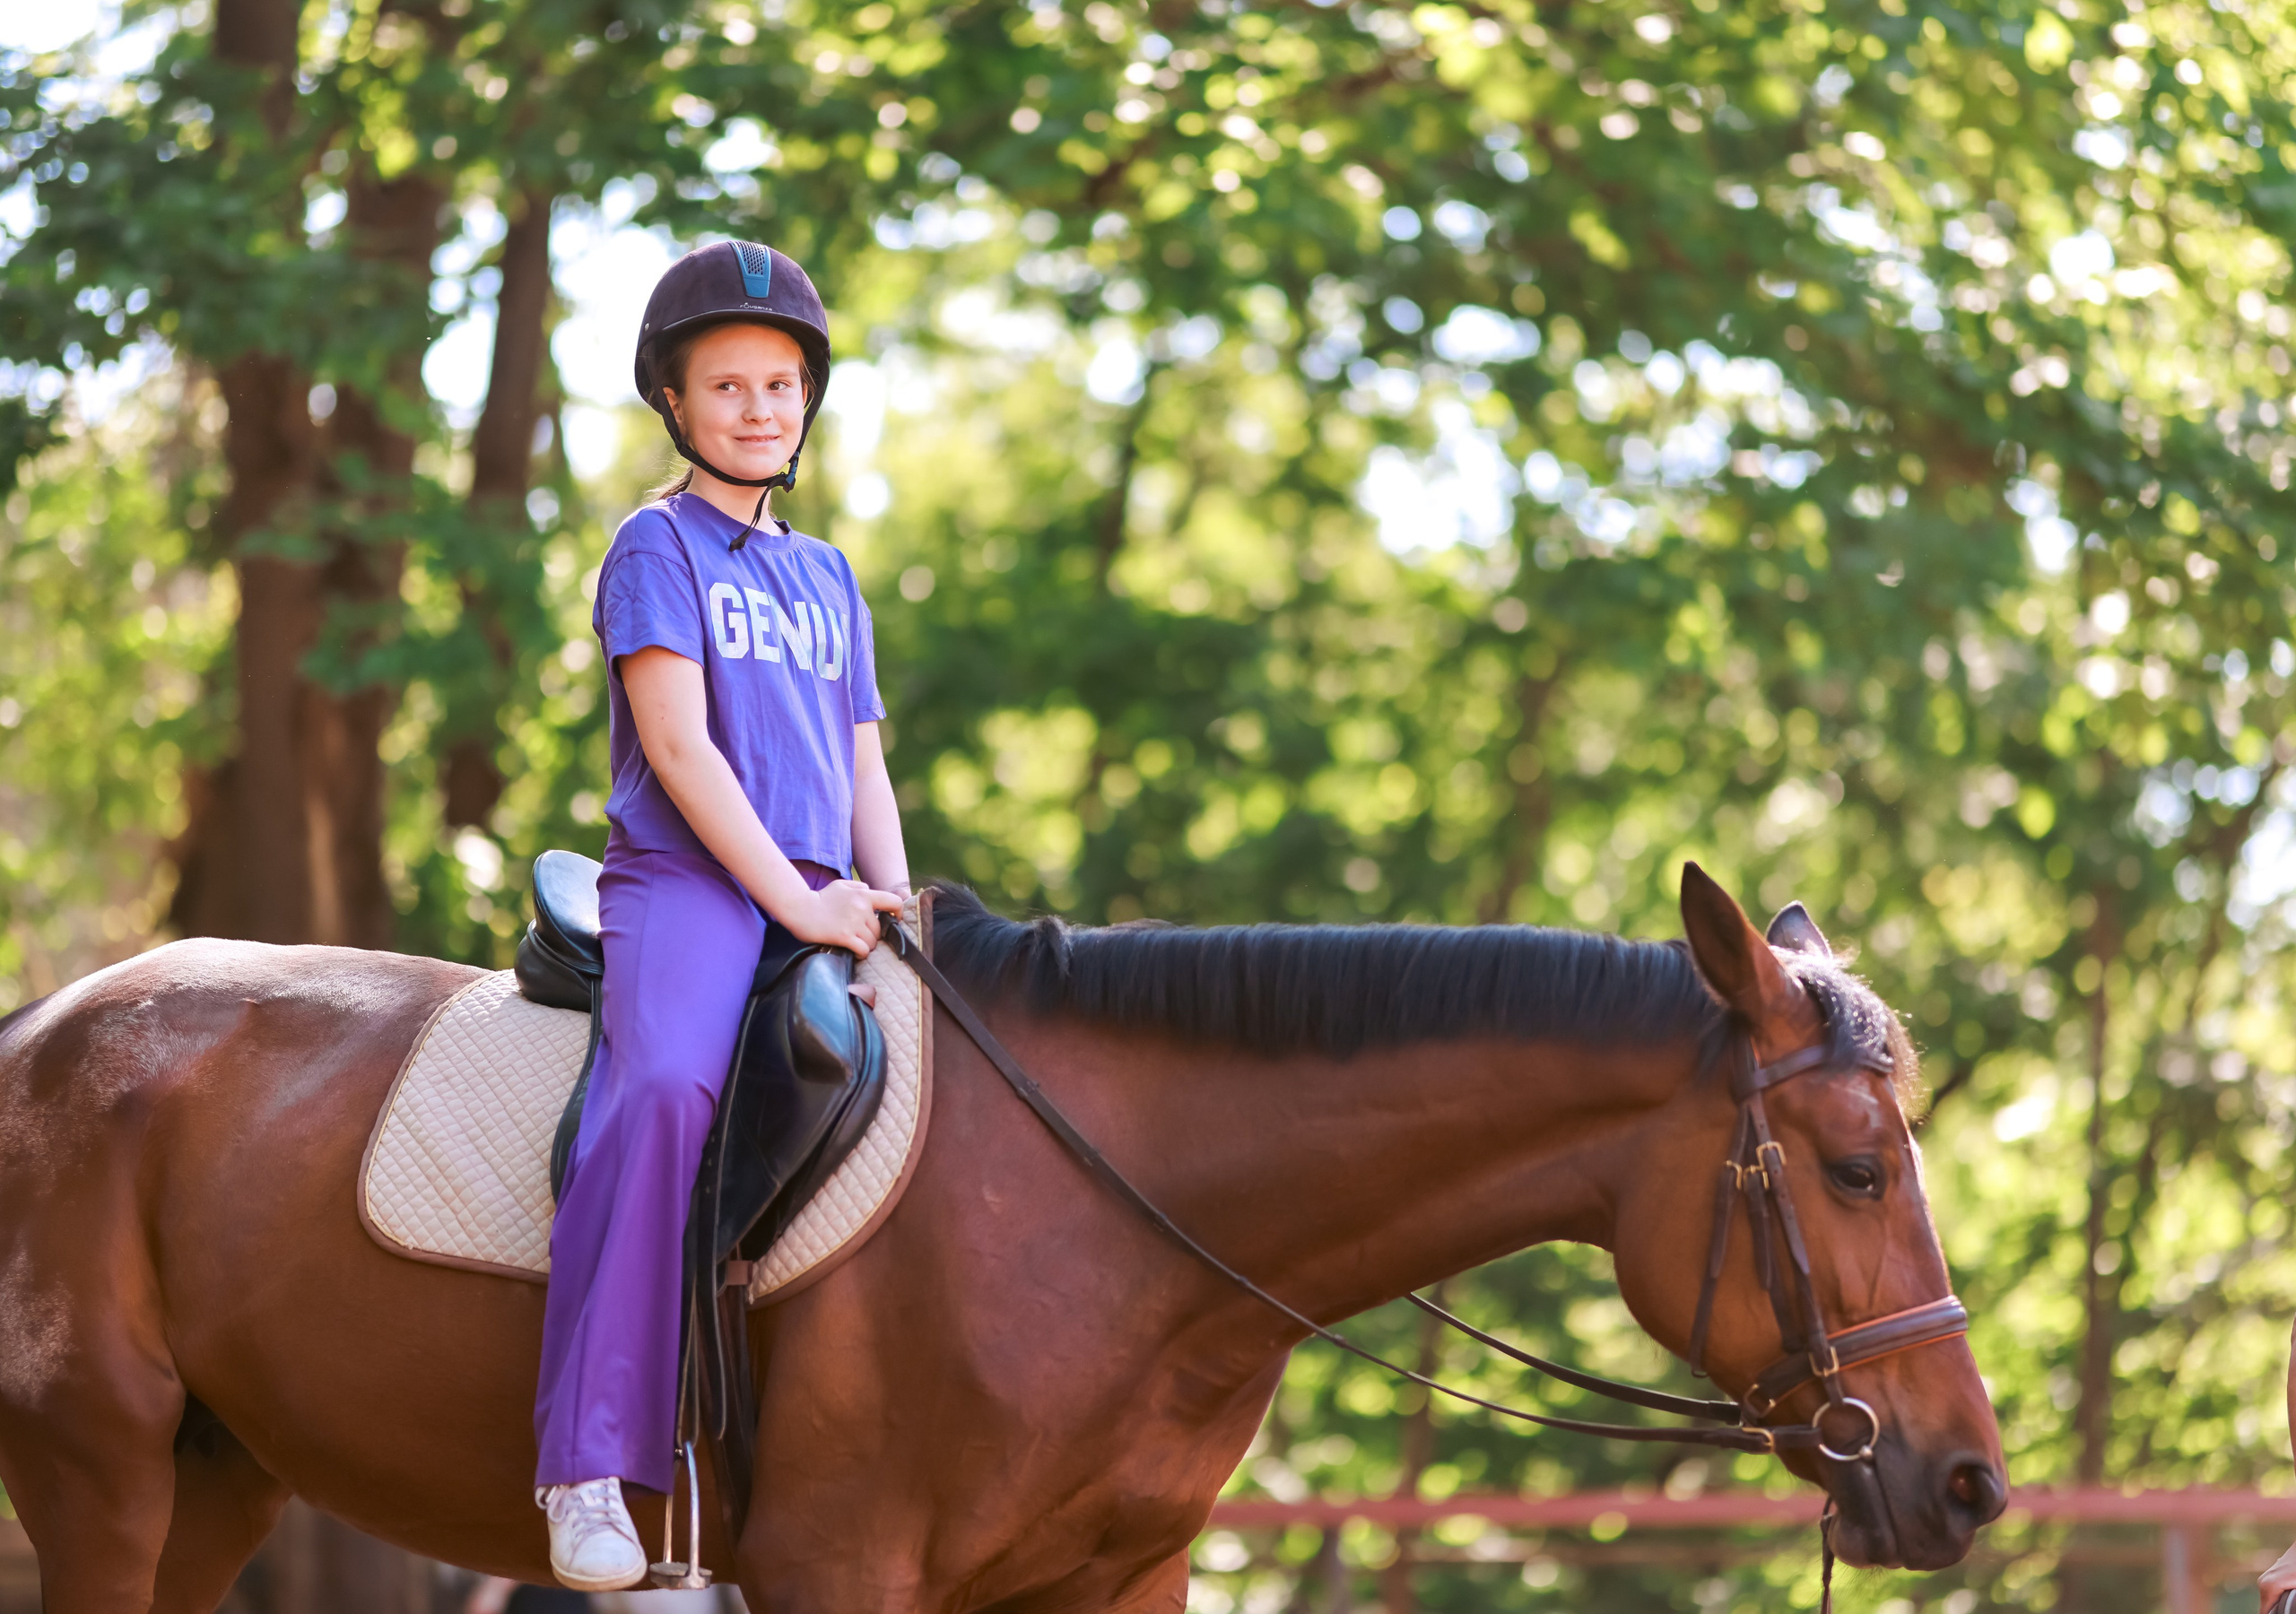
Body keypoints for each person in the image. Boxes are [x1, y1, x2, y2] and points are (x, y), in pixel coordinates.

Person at [531, 239, 909, 1590]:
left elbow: (862, 759)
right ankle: (587, 1463)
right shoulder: (655, 546)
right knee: (669, 1092)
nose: (760, 406)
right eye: (728, 385)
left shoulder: (830, 579)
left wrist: (898, 903)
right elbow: (682, 755)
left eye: (781, 383)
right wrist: (797, 904)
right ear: (677, 405)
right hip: (692, 879)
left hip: (823, 884)